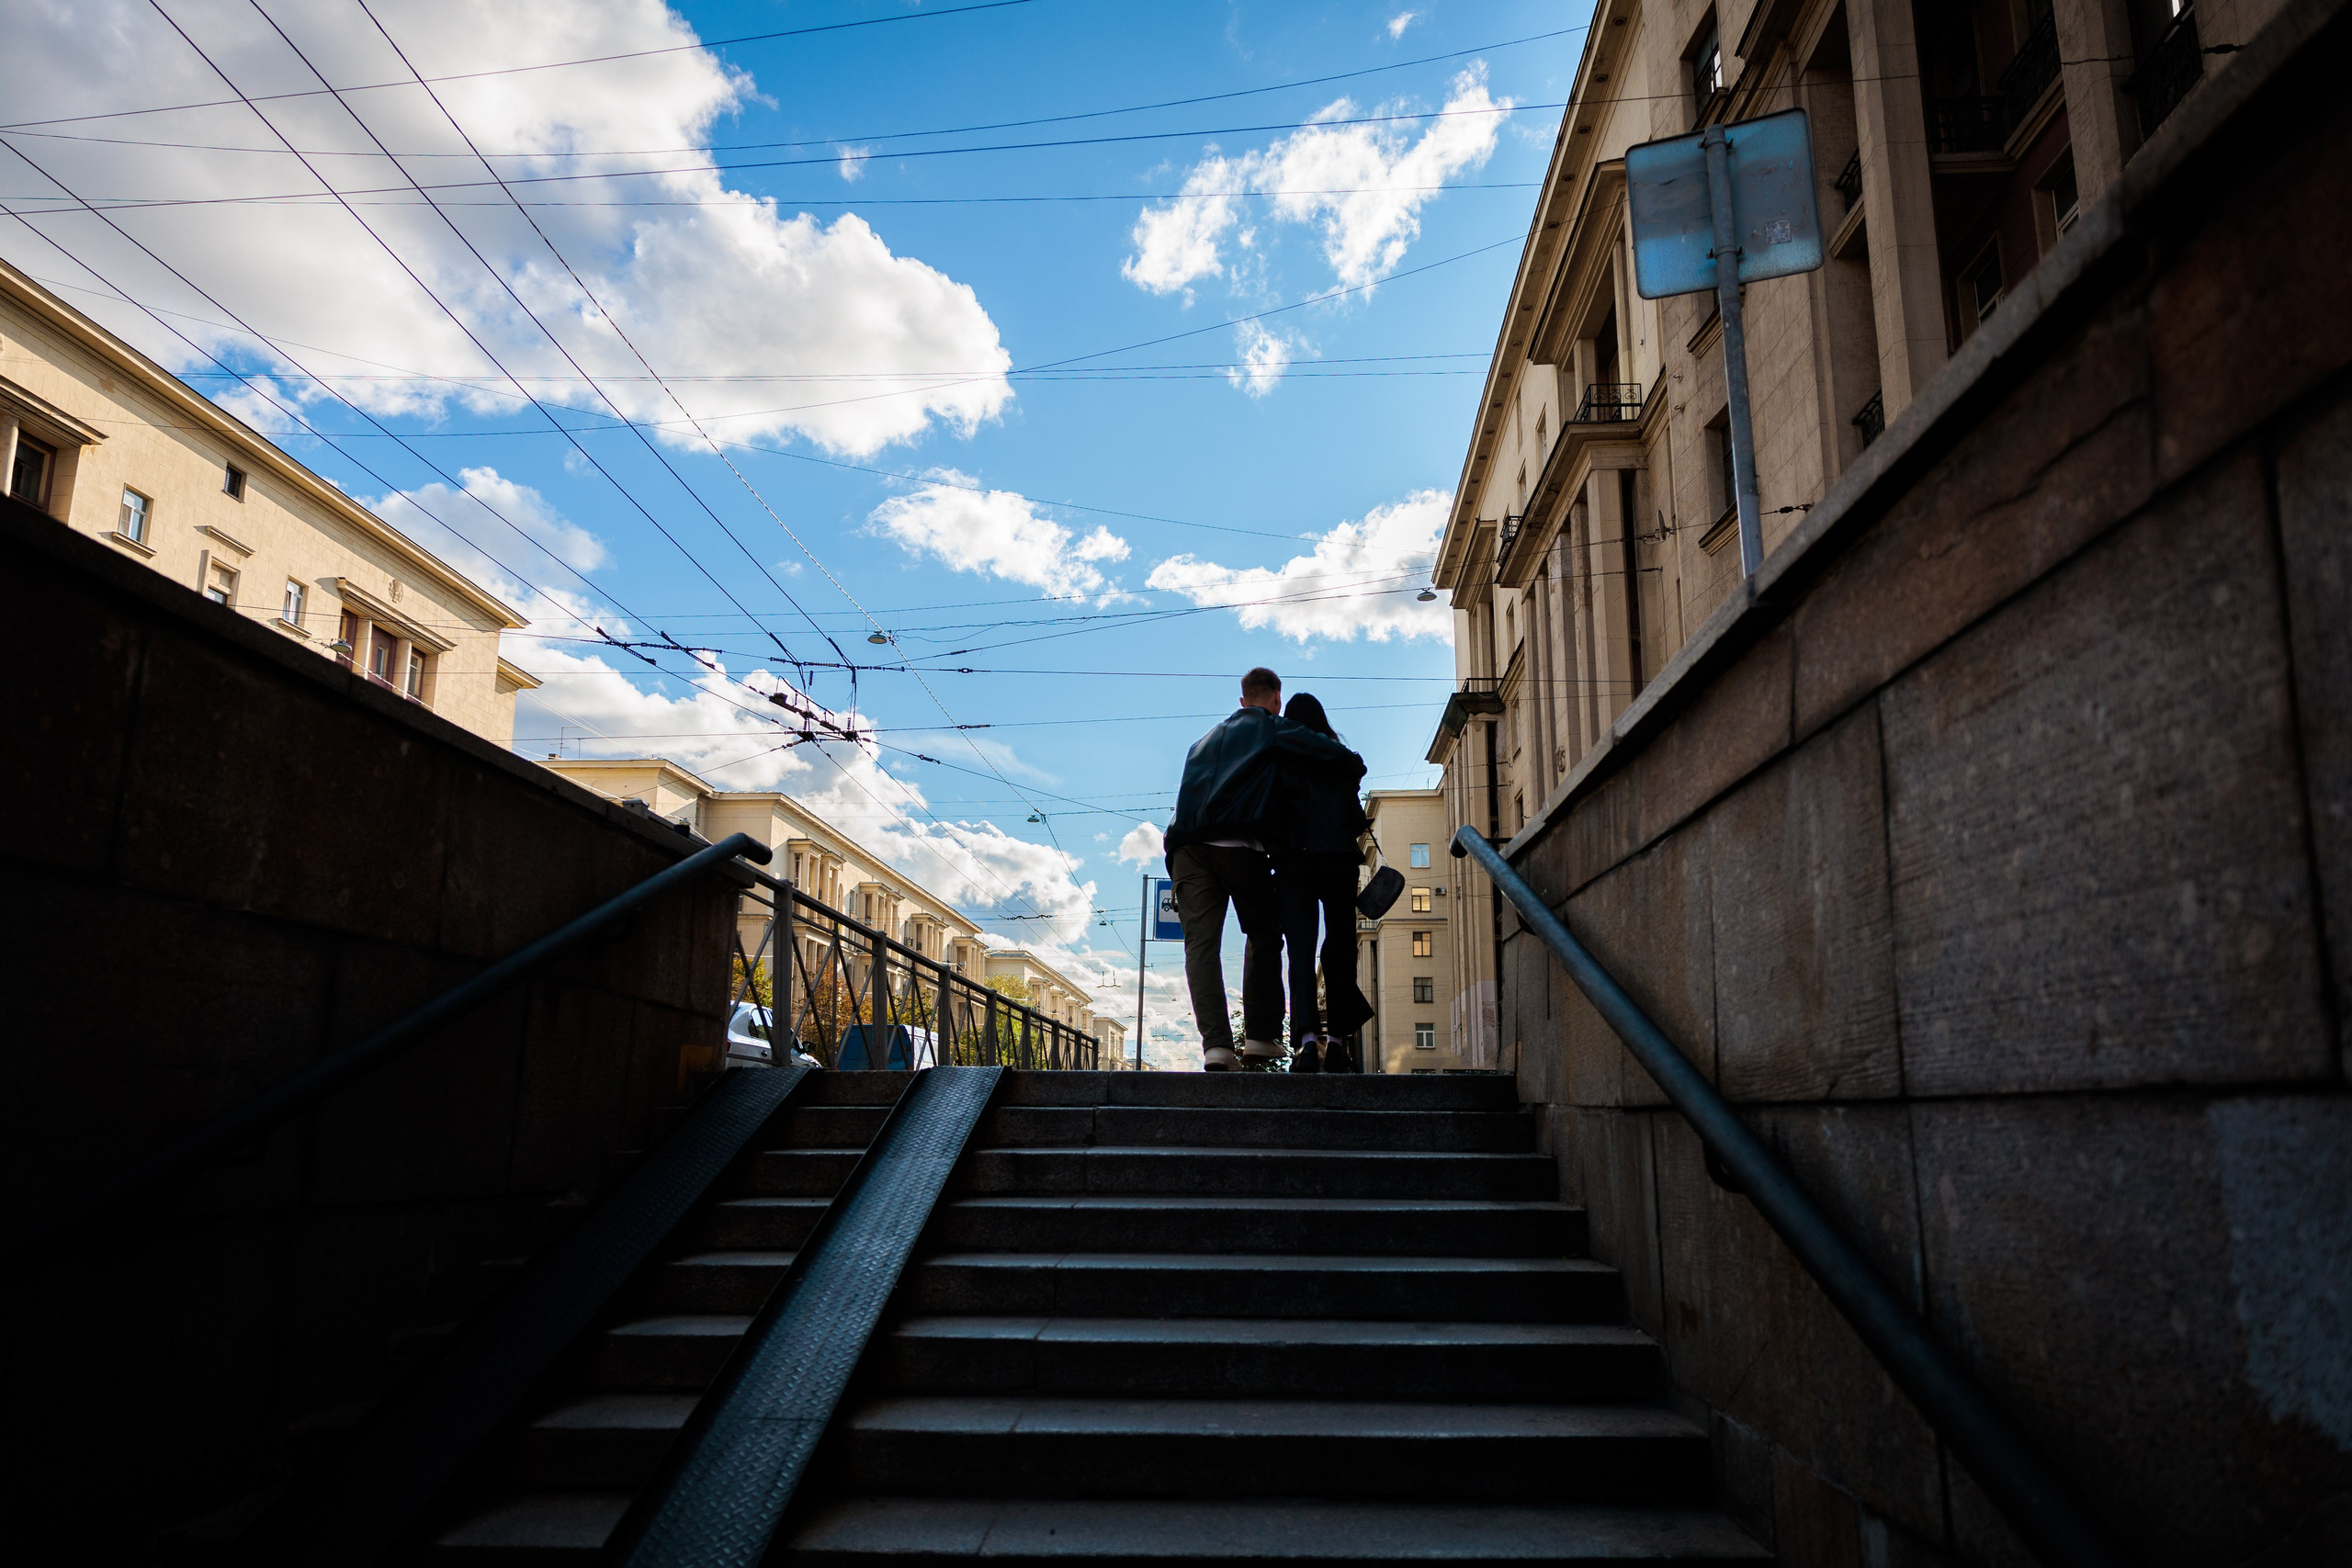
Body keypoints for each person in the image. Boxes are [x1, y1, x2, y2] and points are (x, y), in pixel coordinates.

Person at [1164, 667, 1358, 1071]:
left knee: (1200, 948)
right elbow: (1332, 753)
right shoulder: (1270, 726)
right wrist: (1350, 760)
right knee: (1266, 933)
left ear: (1241, 699)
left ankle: (1216, 1048)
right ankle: (1259, 1038)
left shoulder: (1200, 742)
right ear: (1275, 700)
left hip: (1185, 848)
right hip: (1237, 844)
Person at [1272, 693, 1372, 1073]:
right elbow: (1354, 814)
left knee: (1300, 950)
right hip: (1338, 860)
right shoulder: (1338, 757)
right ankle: (1339, 1044)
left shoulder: (1281, 756)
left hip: (1295, 861)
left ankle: (1308, 1043)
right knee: (1341, 949)